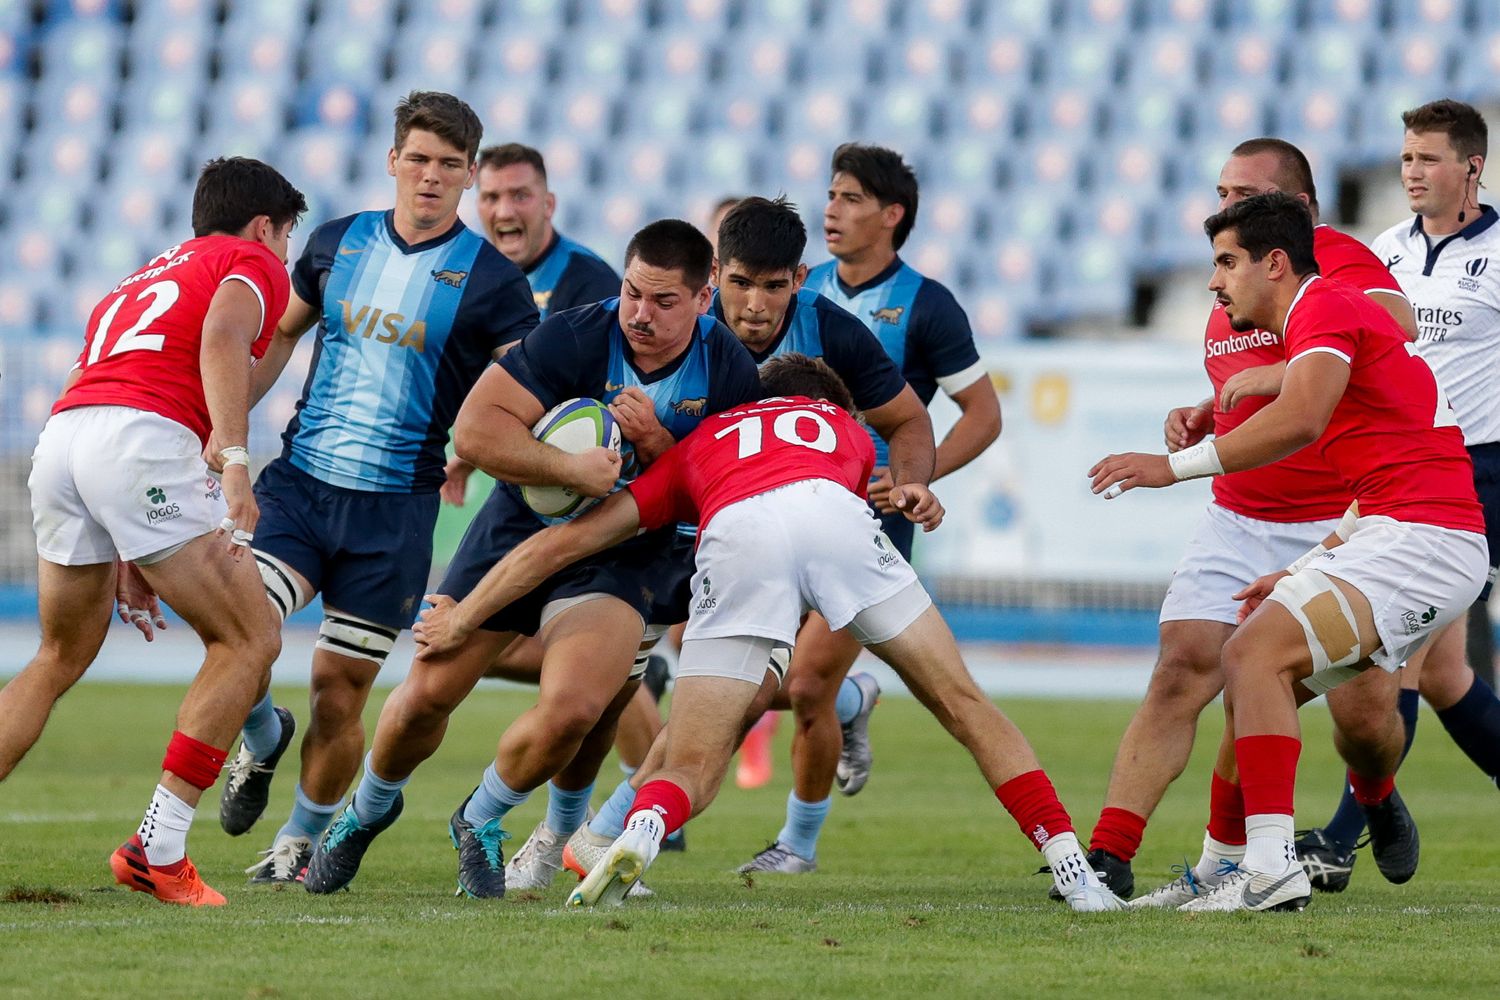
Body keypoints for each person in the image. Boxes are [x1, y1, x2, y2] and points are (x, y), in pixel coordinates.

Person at [414, 354, 1122, 912]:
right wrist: (908, 491)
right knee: (965, 704)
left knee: (692, 755)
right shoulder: (842, 428)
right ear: (831, 404)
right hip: (828, 513)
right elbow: (872, 488)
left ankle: (643, 830)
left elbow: (558, 546)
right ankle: (1069, 863)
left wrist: (462, 617)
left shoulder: (701, 446)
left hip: (735, 529)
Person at [302, 219, 762, 899]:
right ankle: (367, 811)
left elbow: (730, 497)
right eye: (634, 292)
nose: (640, 313)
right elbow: (477, 429)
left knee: (578, 709)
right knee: (428, 694)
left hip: (623, 556)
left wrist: (662, 445)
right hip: (520, 522)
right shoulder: (577, 333)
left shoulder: (728, 370)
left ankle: (479, 817)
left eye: (664, 302)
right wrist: (566, 467)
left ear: (705, 296)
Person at [1090, 192, 1488, 912]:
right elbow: (1389, 461)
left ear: (1276, 263)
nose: (1214, 283)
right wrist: (1306, 567)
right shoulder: (1330, 315)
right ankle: (1222, 865)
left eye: (1226, 263)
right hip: (1401, 533)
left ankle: (1272, 868)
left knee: (1251, 655)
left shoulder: (1323, 304)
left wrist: (1168, 466)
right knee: (1257, 682)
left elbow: (1300, 421)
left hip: (1423, 540)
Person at [554, 196, 935, 882]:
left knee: (787, 686)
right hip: (731, 530)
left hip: (833, 523)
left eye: (774, 285)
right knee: (746, 690)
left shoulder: (833, 333)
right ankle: (853, 703)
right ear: (713, 278)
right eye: (739, 283)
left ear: (800, 278)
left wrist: (907, 485)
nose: (755, 304)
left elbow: (908, 419)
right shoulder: (679, 331)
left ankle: (649, 830)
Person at [213, 92, 539, 886]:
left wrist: (487, 449)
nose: (430, 177)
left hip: (396, 512)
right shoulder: (334, 244)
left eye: (449, 165)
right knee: (238, 627)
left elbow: (526, 388)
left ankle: (298, 840)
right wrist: (225, 438)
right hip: (300, 485)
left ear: (468, 177)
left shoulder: (494, 283)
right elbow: (284, 331)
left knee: (337, 690)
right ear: (393, 161)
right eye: (418, 159)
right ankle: (259, 738)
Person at [0, 157, 306, 906]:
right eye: (287, 236)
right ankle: (157, 848)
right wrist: (236, 462)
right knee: (252, 638)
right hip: (140, 443)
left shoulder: (142, 275)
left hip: (66, 439)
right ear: (266, 225)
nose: (287, 255)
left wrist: (131, 539)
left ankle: (160, 846)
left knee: (56, 654)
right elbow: (225, 341)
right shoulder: (252, 260)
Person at [726, 143, 999, 875]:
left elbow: (982, 412)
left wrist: (912, 478)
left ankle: (797, 846)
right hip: (777, 504)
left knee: (802, 684)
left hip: (870, 514)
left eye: (849, 197)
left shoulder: (926, 304)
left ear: (891, 214)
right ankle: (853, 704)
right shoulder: (793, 290)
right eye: (830, 195)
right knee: (740, 674)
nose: (831, 210)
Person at [474, 143, 620, 320]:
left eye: (520, 196)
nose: (504, 213)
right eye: (491, 197)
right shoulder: (474, 279)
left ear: (548, 205)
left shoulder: (591, 283)